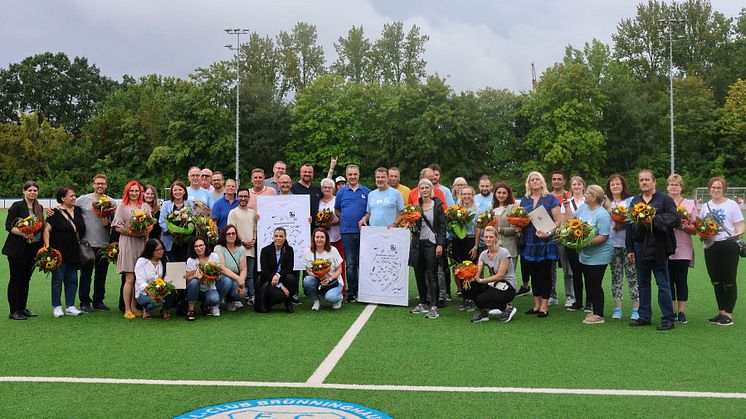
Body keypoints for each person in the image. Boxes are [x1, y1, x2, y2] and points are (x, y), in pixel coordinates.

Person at [626, 170, 679, 331]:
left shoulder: (665, 199)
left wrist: (652, 219)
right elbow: (629, 226)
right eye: (641, 180)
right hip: (639, 246)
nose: (644, 182)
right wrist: (630, 248)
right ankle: (644, 316)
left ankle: (668, 318)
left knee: (663, 283)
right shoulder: (635, 201)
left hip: (659, 247)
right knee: (642, 283)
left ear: (654, 182)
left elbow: (675, 219)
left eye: (647, 179)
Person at [563, 185, 612, 325]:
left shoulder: (602, 214)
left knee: (595, 284)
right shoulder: (584, 208)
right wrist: (566, 208)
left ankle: (599, 315)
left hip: (600, 254)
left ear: (594, 197)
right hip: (585, 254)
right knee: (590, 283)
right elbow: (572, 221)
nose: (584, 196)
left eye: (587, 194)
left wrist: (585, 243)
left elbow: (604, 236)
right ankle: (595, 310)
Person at [700, 177, 744, 326]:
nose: (716, 190)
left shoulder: (731, 205)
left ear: (724, 189)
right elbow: (700, 225)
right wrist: (702, 233)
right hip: (710, 246)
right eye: (713, 187)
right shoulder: (705, 206)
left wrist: (738, 234)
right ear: (709, 189)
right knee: (716, 280)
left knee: (729, 279)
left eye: (719, 187)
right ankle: (721, 313)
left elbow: (739, 224)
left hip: (728, 244)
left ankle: (728, 315)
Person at [68, 174, 115, 313]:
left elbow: (116, 222)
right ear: (93, 184)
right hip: (87, 244)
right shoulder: (83, 199)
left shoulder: (111, 201)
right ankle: (84, 302)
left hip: (104, 244)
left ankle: (98, 301)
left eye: (103, 183)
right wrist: (54, 210)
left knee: (101, 274)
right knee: (86, 273)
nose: (100, 186)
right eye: (97, 183)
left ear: (106, 185)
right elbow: (68, 207)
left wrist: (109, 223)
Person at [520, 172, 561, 318]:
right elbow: (521, 219)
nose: (535, 181)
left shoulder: (551, 198)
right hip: (529, 241)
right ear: (528, 183)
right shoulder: (524, 201)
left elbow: (558, 221)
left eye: (537, 179)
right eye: (532, 180)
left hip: (546, 241)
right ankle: (536, 304)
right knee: (533, 274)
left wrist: (548, 233)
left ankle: (544, 306)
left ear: (542, 182)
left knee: (545, 274)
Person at [3, 181, 45, 320]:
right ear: (24, 191)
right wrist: (23, 233)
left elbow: (41, 226)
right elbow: (8, 226)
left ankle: (22, 308)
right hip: (17, 248)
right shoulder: (17, 206)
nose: (33, 192)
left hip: (33, 248)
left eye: (35, 190)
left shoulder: (39, 207)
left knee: (26, 278)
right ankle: (14, 310)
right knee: (16, 278)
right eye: (30, 190)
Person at [43, 187, 86, 318]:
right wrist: (48, 249)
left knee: (72, 280)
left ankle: (71, 306)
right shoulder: (54, 212)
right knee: (57, 280)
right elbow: (46, 230)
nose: (74, 198)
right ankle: (57, 306)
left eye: (75, 195)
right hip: (58, 253)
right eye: (71, 196)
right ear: (63, 198)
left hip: (73, 252)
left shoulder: (78, 210)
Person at [112, 181, 152, 320]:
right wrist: (132, 232)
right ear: (127, 192)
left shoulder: (145, 206)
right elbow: (117, 226)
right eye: (131, 191)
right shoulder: (122, 207)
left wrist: (144, 231)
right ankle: (127, 308)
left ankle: (135, 307)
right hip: (128, 243)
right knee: (129, 278)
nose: (134, 193)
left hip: (142, 243)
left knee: (138, 277)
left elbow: (150, 224)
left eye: (136, 191)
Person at [409, 179, 446, 319]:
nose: (424, 190)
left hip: (432, 243)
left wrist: (440, 244)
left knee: (432, 275)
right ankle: (423, 302)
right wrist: (411, 223)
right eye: (422, 188)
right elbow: (413, 226)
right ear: (419, 190)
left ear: (431, 189)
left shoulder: (437, 205)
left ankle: (434, 306)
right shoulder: (415, 206)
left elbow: (442, 227)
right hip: (418, 243)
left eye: (426, 187)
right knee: (419, 274)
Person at [465, 226, 518, 323]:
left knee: (481, 298)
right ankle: (482, 313)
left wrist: (481, 280)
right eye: (486, 237)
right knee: (469, 286)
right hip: (494, 284)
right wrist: (470, 277)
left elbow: (500, 276)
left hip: (507, 287)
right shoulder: (483, 254)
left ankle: (507, 308)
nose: (488, 239)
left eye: (491, 237)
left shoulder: (504, 253)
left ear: (496, 238)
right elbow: (478, 271)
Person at [605, 174, 639, 320]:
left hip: (628, 245)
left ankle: (636, 309)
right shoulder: (606, 202)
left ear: (623, 185)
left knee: (633, 276)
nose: (615, 186)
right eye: (612, 184)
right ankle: (617, 308)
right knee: (616, 277)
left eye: (618, 184)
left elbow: (637, 219)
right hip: (612, 246)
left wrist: (625, 223)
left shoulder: (631, 201)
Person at [335, 164, 370, 303]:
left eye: (355, 174)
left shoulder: (367, 192)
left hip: (364, 232)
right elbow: (337, 210)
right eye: (350, 174)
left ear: (359, 174)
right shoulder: (341, 192)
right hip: (347, 232)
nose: (352, 177)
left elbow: (369, 211)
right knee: (350, 264)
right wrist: (345, 219)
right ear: (346, 175)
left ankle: (365, 290)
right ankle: (353, 291)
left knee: (364, 263)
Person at [666, 174, 697, 324]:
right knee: (668, 280)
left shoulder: (690, 204)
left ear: (681, 187)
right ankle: (671, 311)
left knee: (681, 280)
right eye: (671, 184)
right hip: (665, 246)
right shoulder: (662, 202)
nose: (674, 187)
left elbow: (695, 229)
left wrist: (682, 225)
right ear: (667, 186)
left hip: (683, 246)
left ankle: (681, 312)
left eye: (676, 184)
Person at [482, 182, 523, 295]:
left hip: (509, 247)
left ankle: (507, 303)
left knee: (507, 277)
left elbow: (516, 229)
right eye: (499, 192)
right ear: (495, 194)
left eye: (504, 193)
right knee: (495, 276)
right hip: (495, 248)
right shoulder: (492, 209)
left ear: (508, 194)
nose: (501, 195)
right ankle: (496, 300)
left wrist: (500, 230)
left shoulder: (512, 208)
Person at [255, 227, 297, 313]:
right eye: (276, 236)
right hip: (268, 281)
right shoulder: (265, 251)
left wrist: (278, 275)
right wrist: (281, 285)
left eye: (281, 236)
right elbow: (265, 272)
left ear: (285, 237)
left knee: (292, 279)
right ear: (273, 237)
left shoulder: (289, 250)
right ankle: (268, 303)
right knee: (280, 296)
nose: (278, 238)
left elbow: (289, 268)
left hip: (281, 278)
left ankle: (288, 303)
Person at [228, 188, 258, 305]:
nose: (243, 198)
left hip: (251, 249)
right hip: (238, 249)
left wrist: (253, 240)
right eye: (241, 196)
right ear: (237, 197)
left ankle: (252, 296)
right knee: (238, 274)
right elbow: (231, 230)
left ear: (249, 197)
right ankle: (237, 298)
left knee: (250, 274)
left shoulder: (252, 213)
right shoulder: (233, 213)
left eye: (245, 196)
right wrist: (242, 241)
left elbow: (255, 229)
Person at [303, 228, 344, 310]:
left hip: (333, 281)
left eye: (322, 237)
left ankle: (338, 298)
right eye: (317, 237)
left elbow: (339, 269)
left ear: (326, 239)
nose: (319, 239)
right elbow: (308, 270)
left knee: (330, 297)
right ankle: (316, 301)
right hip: (318, 280)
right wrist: (319, 275)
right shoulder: (308, 251)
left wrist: (329, 279)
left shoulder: (333, 250)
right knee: (307, 280)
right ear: (313, 238)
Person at [549, 170, 573, 308]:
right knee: (550, 268)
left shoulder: (569, 196)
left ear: (564, 181)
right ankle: (552, 295)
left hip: (566, 237)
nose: (556, 181)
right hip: (551, 236)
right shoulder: (547, 196)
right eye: (554, 179)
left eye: (559, 179)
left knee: (567, 268)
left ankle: (570, 296)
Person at [134, 238, 173, 320]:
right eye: (158, 249)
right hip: (143, 293)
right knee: (156, 301)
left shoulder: (164, 260)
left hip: (159, 290)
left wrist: (164, 289)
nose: (161, 251)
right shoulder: (141, 261)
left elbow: (166, 277)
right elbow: (140, 282)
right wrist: (150, 292)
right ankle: (147, 309)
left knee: (172, 289)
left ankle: (165, 310)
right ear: (151, 250)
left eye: (162, 249)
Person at [451, 186, 478, 300]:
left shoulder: (476, 210)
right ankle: (465, 297)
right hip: (458, 241)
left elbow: (478, 229)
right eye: (464, 194)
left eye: (469, 194)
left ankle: (472, 297)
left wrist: (476, 246)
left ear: (472, 195)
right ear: (460, 196)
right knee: (460, 269)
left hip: (470, 241)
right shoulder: (455, 210)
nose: (466, 196)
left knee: (470, 269)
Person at [183, 236, 221, 321]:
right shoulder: (191, 260)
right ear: (193, 248)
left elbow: (219, 276)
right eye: (196, 246)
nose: (199, 248)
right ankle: (191, 310)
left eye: (201, 245)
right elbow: (187, 279)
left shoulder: (214, 256)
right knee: (194, 282)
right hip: (195, 289)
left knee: (214, 299)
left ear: (205, 246)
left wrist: (211, 277)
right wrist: (196, 276)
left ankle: (204, 305)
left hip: (210, 288)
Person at [563, 176, 585, 311]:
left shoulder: (588, 200)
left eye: (579, 184)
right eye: (574, 184)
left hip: (586, 240)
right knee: (575, 272)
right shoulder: (566, 202)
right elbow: (564, 221)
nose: (576, 186)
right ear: (571, 187)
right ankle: (578, 301)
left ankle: (590, 302)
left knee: (587, 272)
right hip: (571, 241)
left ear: (583, 186)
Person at [214, 225, 247, 312]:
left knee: (242, 294)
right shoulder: (218, 248)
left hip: (235, 278)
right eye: (228, 234)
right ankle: (216, 305)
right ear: (224, 236)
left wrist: (242, 283)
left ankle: (230, 301)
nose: (231, 236)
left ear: (236, 235)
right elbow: (222, 268)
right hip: (221, 278)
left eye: (233, 233)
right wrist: (238, 278)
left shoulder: (241, 248)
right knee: (227, 281)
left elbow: (243, 268)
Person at [159, 181, 192, 263]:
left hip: (185, 242)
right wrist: (171, 231)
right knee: (172, 267)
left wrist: (186, 230)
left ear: (184, 191)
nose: (178, 192)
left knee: (184, 266)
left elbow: (193, 220)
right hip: (169, 241)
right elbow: (162, 222)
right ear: (172, 192)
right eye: (175, 190)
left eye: (180, 190)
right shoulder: (166, 205)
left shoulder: (190, 204)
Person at [319, 178, 344, 281]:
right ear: (321, 189)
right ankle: (326, 286)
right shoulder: (319, 202)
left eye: (330, 187)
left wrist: (332, 224)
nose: (327, 189)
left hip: (337, 236)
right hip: (323, 239)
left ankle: (341, 288)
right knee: (325, 263)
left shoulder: (337, 200)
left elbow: (343, 217)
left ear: (333, 189)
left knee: (339, 263)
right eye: (325, 187)